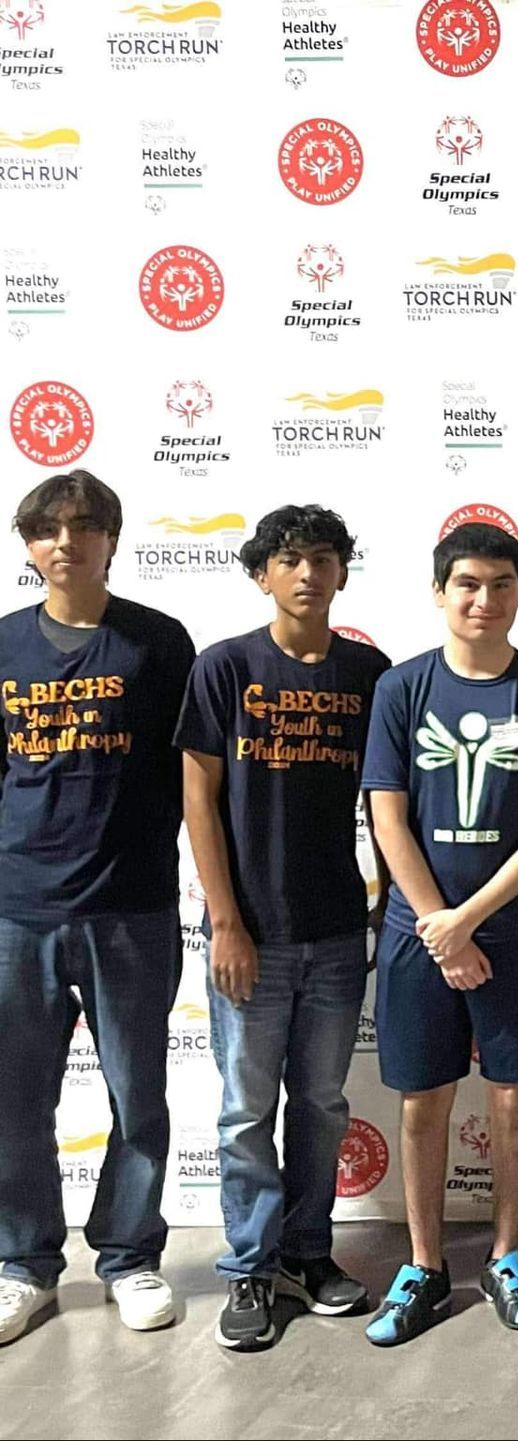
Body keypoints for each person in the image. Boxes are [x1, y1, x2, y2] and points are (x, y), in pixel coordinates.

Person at [359, 522, 518, 1346]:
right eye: (467, 584)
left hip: (513, 931)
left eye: (500, 584)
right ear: (438, 593)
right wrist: (438, 926)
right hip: (420, 932)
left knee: (514, 1097)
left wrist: (468, 920)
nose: (483, 599)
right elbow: (388, 815)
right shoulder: (401, 690)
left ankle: (505, 1254)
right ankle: (423, 1263)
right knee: (423, 1101)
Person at [177, 506, 391, 1352]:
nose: (308, 572)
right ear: (262, 572)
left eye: (325, 558)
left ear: (343, 572)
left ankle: (309, 1253)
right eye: (290, 559)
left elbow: (389, 796)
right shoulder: (223, 668)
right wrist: (225, 920)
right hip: (249, 935)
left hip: (337, 929)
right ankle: (251, 1270)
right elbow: (197, 796)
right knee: (243, 1111)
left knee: (321, 1103)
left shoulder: (370, 673)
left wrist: (387, 897)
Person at [0, 470, 196, 1345]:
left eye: (84, 527)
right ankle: (21, 1264)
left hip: (131, 909)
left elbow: (193, 778)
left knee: (139, 1096)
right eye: (48, 529)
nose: (65, 542)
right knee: (13, 1099)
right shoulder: (4, 645)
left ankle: (129, 1256)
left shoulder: (158, 642)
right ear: (29, 545)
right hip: (17, 911)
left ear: (112, 538)